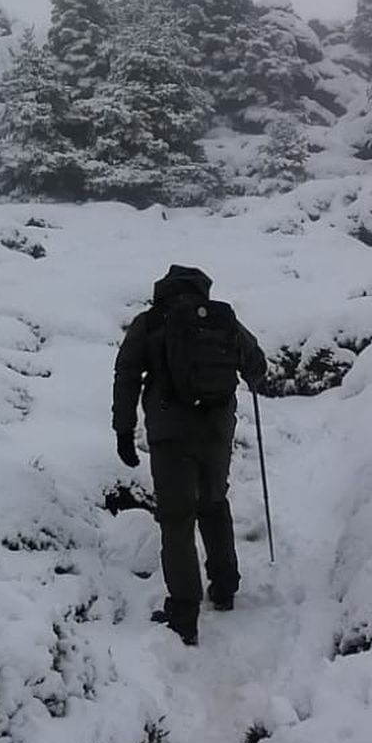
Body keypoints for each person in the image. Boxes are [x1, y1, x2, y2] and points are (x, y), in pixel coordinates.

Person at [112, 264, 267, 647]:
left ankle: (184, 614)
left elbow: (126, 374)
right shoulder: (220, 319)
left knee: (177, 519)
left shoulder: (150, 322)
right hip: (216, 430)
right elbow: (257, 364)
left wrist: (124, 430)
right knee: (213, 503)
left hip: (170, 435)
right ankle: (225, 586)